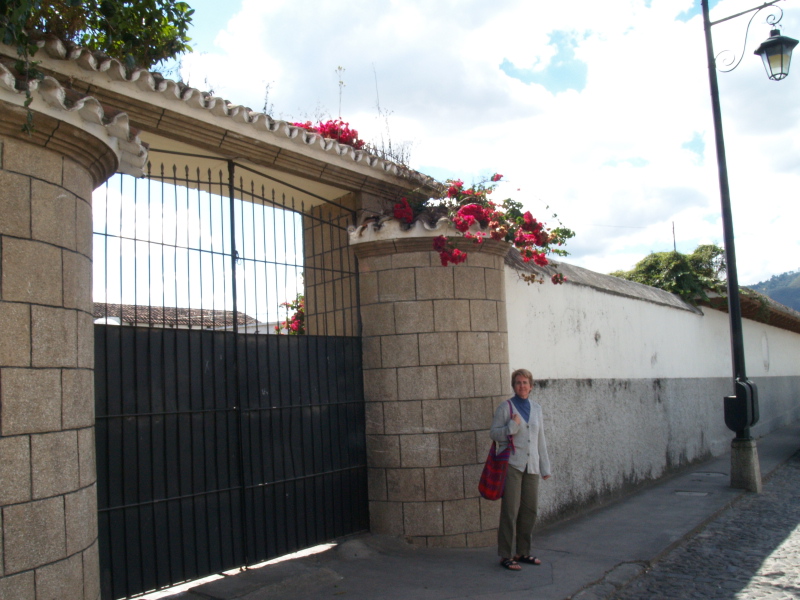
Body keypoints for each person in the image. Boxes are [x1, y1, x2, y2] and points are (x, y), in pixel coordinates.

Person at [489, 368, 551, 571]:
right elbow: (494, 434)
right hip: (512, 465)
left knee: (530, 510)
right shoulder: (506, 407)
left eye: (525, 382)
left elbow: (540, 440)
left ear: (531, 386)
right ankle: (505, 555)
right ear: (513, 386)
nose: (522, 386)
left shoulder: (537, 408)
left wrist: (545, 467)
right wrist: (512, 427)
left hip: (531, 465)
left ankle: (523, 551)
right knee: (510, 511)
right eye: (518, 382)